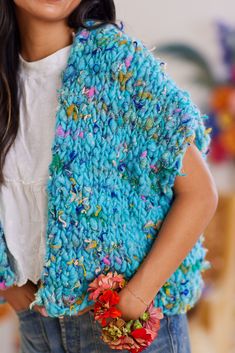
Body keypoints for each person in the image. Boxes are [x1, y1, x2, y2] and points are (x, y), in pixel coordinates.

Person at [0, 0, 218, 352]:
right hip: (38, 324)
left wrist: (132, 300)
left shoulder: (119, 66)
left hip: (120, 325)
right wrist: (9, 287)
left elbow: (200, 194)